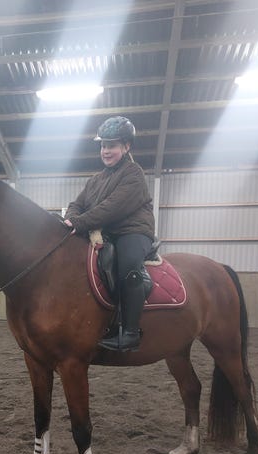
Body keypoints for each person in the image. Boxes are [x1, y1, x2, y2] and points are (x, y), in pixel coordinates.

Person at [64, 116, 155, 351]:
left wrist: (79, 223)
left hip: (133, 231)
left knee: (128, 267)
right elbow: (77, 204)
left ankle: (130, 332)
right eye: (103, 145)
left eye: (112, 145)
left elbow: (112, 208)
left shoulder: (133, 173)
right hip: (105, 232)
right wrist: (71, 219)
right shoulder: (96, 180)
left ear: (126, 146)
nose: (105, 151)